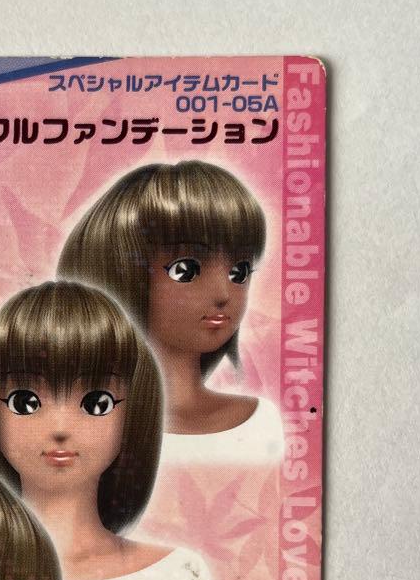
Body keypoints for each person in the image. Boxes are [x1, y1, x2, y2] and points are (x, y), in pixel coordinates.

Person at [0, 281, 218, 580]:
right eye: (26, 402)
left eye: (96, 403)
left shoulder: (177, 577)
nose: (60, 427)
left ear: (134, 413)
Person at [58, 160, 283, 465]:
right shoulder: (76, 434)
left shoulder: (261, 423)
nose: (223, 294)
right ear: (117, 272)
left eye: (239, 272)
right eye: (186, 270)